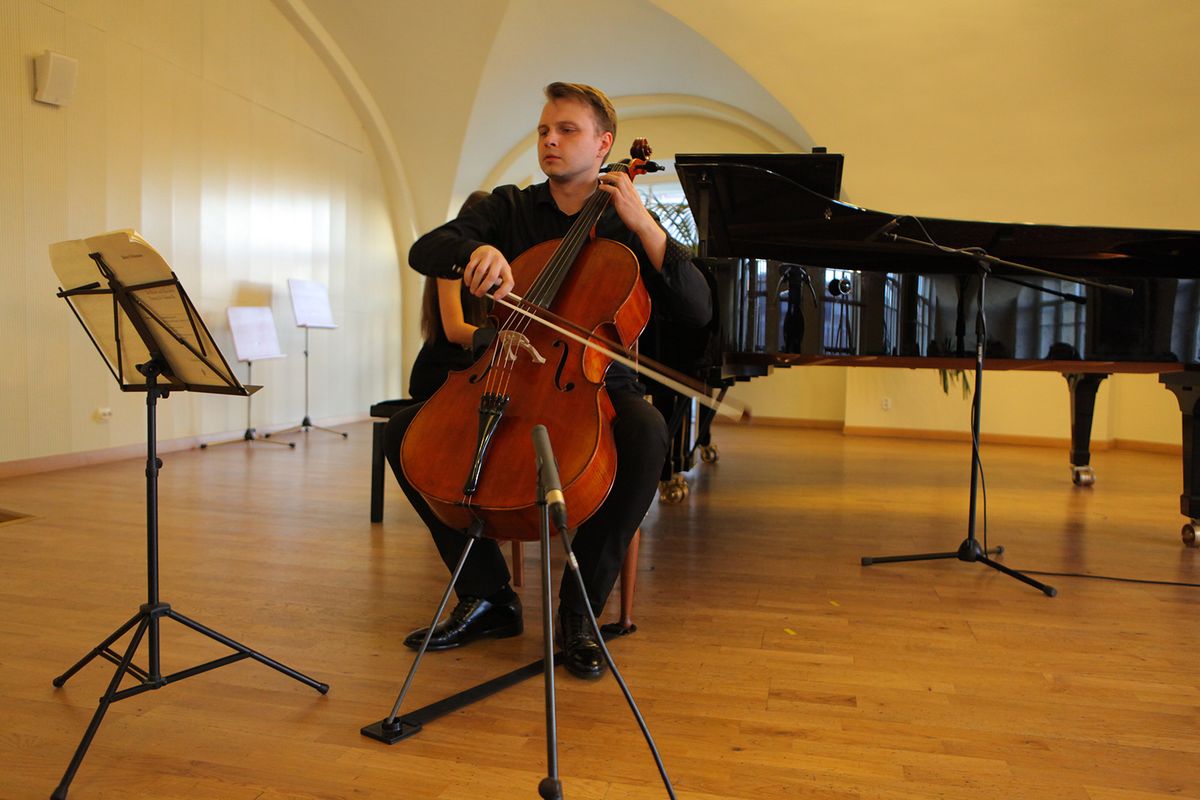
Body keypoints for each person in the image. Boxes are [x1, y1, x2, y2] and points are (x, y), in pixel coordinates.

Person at [383, 82, 711, 679]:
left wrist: (645, 225)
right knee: (405, 434)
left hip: (596, 381)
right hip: (507, 368)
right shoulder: (509, 208)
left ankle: (579, 613)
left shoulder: (627, 222)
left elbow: (697, 308)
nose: (550, 140)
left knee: (645, 434)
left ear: (604, 144)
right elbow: (426, 249)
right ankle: (488, 597)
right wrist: (475, 252)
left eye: (567, 130)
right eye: (543, 130)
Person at [407, 191, 492, 401]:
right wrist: (499, 340)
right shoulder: (451, 263)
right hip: (441, 370)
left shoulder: (486, 265)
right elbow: (454, 330)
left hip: (466, 366)